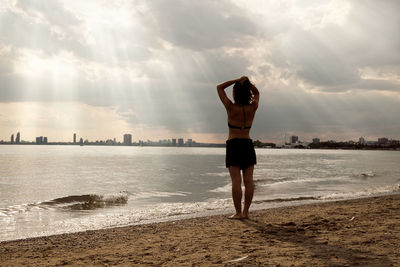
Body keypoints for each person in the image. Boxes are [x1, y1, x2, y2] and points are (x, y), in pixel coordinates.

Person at [217, 76, 259, 219]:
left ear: (235, 93)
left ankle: (238, 212)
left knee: (236, 181)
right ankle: (246, 212)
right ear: (248, 93)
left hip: (234, 145)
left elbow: (220, 87)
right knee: (248, 181)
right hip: (247, 144)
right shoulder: (253, 107)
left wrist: (236, 81)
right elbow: (257, 93)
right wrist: (247, 83)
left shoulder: (230, 107)